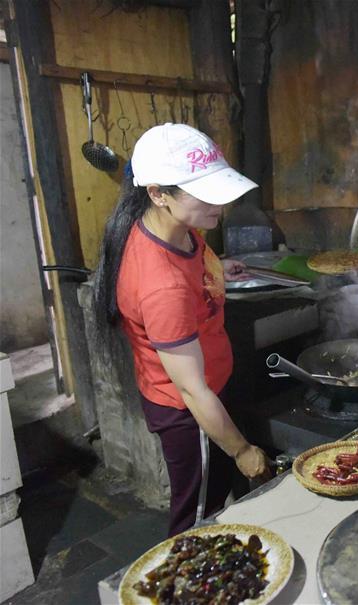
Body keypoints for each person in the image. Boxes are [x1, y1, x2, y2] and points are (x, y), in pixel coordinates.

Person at [94, 123, 271, 537]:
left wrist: (216, 269)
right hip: (188, 411)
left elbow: (188, 265)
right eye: (206, 193)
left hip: (207, 392)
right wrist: (243, 450)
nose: (220, 205)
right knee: (196, 519)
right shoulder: (162, 286)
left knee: (213, 501)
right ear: (158, 193)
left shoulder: (178, 228)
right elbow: (192, 390)